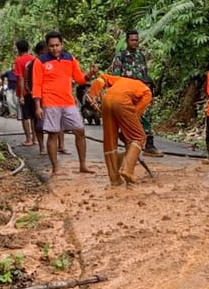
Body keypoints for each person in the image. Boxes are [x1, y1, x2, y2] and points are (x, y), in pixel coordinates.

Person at [32, 31, 97, 176]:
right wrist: (38, 106)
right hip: (50, 102)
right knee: (53, 134)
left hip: (68, 102)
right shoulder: (40, 61)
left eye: (57, 45)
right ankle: (55, 168)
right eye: (51, 46)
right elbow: (37, 84)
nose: (54, 48)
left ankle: (83, 165)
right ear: (47, 47)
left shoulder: (69, 58)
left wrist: (90, 74)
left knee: (80, 130)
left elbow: (80, 79)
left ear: (62, 44)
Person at [86, 74, 152, 185]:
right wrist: (126, 133)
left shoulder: (122, 80)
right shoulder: (147, 92)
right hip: (122, 102)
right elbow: (135, 115)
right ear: (148, 85)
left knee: (110, 140)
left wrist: (93, 95)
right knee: (139, 136)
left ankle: (114, 178)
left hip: (107, 100)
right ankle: (128, 170)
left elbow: (101, 78)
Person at [111, 30, 163, 157]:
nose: (134, 42)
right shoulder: (121, 57)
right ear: (127, 41)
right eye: (132, 40)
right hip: (126, 93)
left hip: (140, 93)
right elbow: (115, 78)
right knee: (126, 119)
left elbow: (145, 74)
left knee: (146, 116)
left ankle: (149, 145)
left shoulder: (141, 56)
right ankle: (127, 144)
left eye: (136, 40)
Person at [14, 39, 38, 148]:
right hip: (34, 91)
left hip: (24, 92)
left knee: (25, 117)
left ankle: (28, 139)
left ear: (18, 49)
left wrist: (21, 95)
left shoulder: (18, 61)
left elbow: (20, 78)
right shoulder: (34, 59)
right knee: (33, 116)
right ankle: (35, 138)